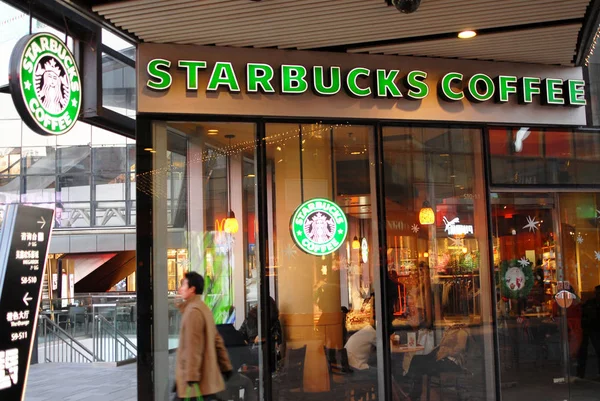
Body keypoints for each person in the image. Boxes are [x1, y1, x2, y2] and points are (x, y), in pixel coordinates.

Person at [174, 272, 233, 401]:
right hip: (206, 381)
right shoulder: (204, 308)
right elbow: (217, 340)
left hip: (196, 383)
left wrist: (191, 377)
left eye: (184, 284)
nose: (180, 289)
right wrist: (226, 366)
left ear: (192, 289)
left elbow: (193, 347)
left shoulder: (192, 312)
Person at [406, 325, 468, 401]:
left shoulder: (461, 332)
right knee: (416, 358)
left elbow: (461, 348)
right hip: (440, 357)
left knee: (420, 366)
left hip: (450, 361)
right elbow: (442, 345)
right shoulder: (450, 331)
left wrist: (447, 351)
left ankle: (413, 390)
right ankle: (410, 384)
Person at [577, 285, 600, 379]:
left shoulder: (590, 303)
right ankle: (581, 372)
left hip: (590, 329)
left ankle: (581, 372)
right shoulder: (590, 303)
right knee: (585, 350)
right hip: (590, 329)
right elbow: (584, 315)